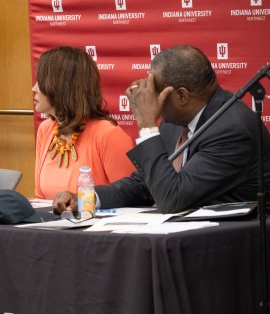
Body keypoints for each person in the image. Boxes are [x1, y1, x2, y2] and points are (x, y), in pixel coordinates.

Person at [53, 45, 270, 214]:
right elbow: (144, 184)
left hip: (231, 247)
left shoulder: (232, 129)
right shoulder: (174, 123)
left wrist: (147, 125)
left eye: (154, 91)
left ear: (182, 96)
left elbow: (173, 199)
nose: (149, 99)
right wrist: (86, 199)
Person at [33, 46, 135, 200]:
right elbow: (40, 198)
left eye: (40, 82)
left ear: (61, 86)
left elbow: (132, 196)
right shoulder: (46, 129)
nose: (33, 88)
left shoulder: (108, 134)